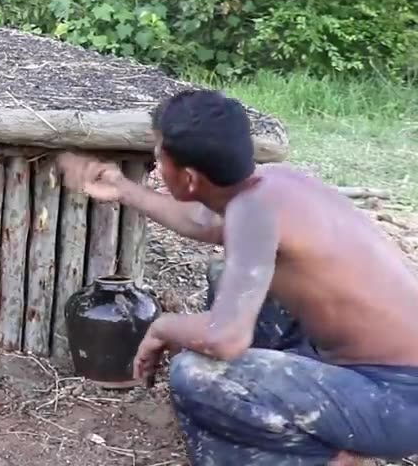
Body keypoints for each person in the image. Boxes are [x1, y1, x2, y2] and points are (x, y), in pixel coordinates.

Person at [59, 89, 418, 466]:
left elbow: (225, 338)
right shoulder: (272, 183)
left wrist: (164, 326)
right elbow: (203, 221)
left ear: (189, 178)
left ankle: (327, 456)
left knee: (195, 372)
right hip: (381, 378)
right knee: (230, 281)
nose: (156, 166)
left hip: (395, 400)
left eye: (158, 159)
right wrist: (122, 188)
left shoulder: (254, 211)